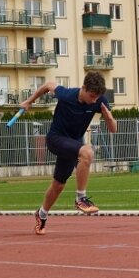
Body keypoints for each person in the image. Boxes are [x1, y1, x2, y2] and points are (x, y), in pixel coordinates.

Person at [19, 71, 117, 235]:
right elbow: (48, 84)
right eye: (91, 96)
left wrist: (107, 117)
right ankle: (80, 199)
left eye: (97, 97)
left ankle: (41, 214)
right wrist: (29, 102)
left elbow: (114, 129)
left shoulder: (99, 100)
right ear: (84, 88)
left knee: (59, 184)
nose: (94, 100)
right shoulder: (66, 95)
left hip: (73, 144)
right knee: (87, 152)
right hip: (56, 139)